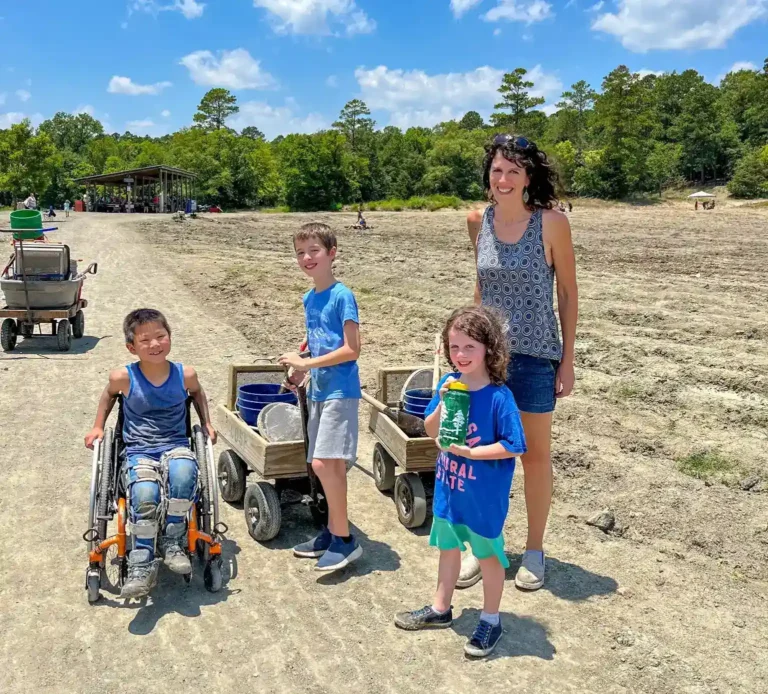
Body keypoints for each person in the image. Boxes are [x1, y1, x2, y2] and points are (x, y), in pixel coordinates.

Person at [462, 133, 578, 591]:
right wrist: (463, 340)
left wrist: (566, 361)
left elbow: (567, 294)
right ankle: (482, 545)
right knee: (484, 457)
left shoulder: (552, 224)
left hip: (534, 358)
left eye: (514, 170)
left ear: (529, 176)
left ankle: (534, 549)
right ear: (488, 178)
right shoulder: (477, 221)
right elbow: (480, 287)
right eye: (497, 170)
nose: (504, 178)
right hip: (488, 359)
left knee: (534, 457)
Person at [394, 305, 527, 658]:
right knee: (448, 549)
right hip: (450, 491)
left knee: (488, 557)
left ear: (489, 349)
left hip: (483, 498)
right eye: (454, 347)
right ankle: (441, 608)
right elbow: (431, 430)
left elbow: (514, 445)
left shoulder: (499, 397)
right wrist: (441, 398)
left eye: (470, 346)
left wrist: (472, 454)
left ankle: (491, 619)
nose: (461, 355)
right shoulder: (448, 386)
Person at [84, 308, 217, 599]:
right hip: (138, 451)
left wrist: (206, 422)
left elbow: (198, 394)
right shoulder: (123, 377)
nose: (155, 344)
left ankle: (173, 542)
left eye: (161, 336)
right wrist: (97, 427)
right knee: (145, 492)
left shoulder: (185, 375)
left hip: (175, 445)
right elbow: (107, 396)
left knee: (184, 472)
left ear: (170, 337)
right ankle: (141, 563)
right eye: (145, 340)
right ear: (132, 347)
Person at [278, 222, 363, 572]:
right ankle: (332, 532)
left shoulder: (343, 295)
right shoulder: (309, 298)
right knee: (323, 463)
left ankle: (344, 540)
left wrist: (307, 362)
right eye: (300, 252)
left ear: (332, 253)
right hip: (320, 389)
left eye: (314, 250)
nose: (306, 258)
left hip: (341, 390)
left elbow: (352, 349)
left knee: (325, 463)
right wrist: (301, 368)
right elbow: (315, 337)